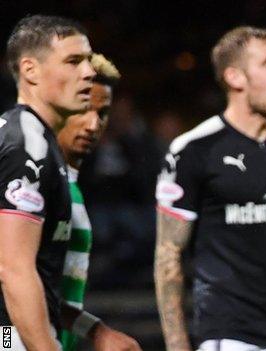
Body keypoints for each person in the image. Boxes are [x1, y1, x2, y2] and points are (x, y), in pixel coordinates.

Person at [154, 26, 266, 351]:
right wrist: (177, 347)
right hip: (230, 337)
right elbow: (169, 255)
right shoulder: (193, 150)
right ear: (235, 78)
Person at [0, 15, 94, 349]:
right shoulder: (27, 145)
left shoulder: (34, 139)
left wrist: (94, 330)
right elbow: (13, 270)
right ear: (30, 70)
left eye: (88, 61)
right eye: (73, 61)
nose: (89, 72)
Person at [56, 53, 141, 351]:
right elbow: (9, 284)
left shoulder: (69, 184)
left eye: (102, 113)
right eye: (84, 109)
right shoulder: (32, 177)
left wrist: (95, 331)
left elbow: (49, 296)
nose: (94, 124)